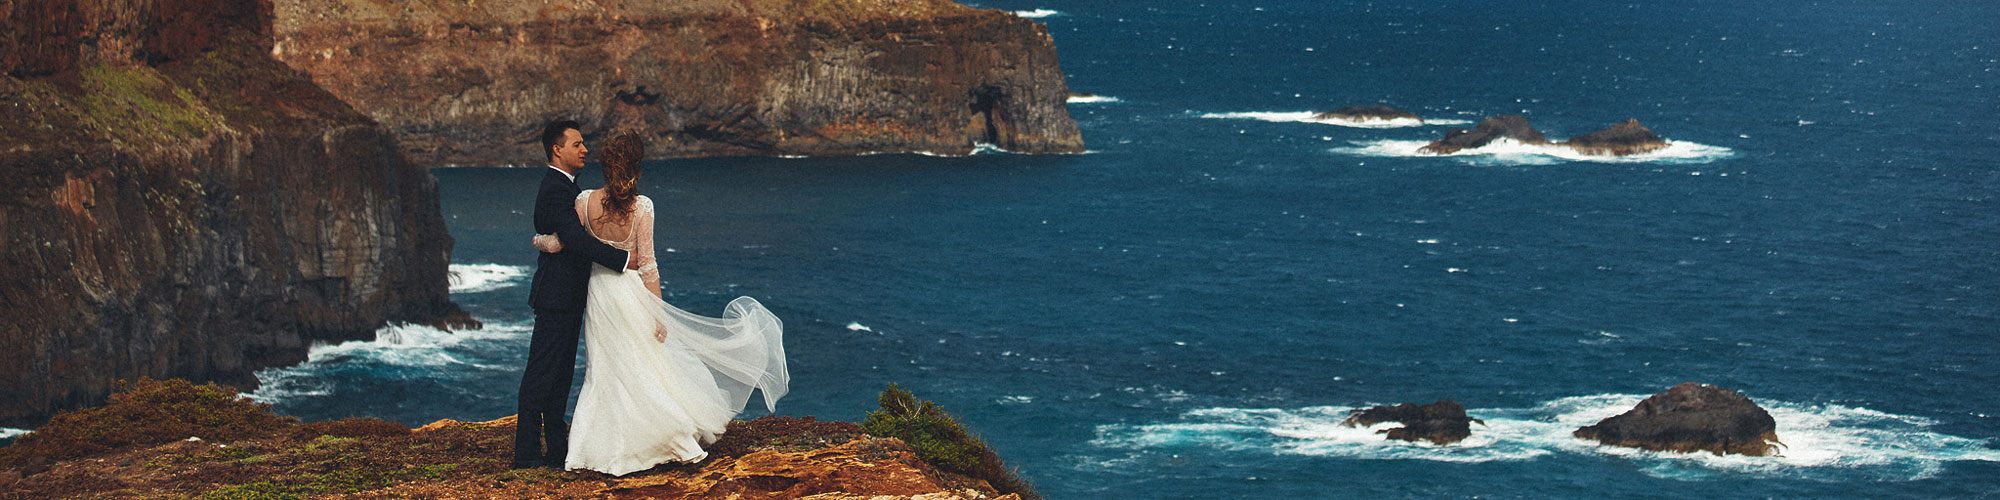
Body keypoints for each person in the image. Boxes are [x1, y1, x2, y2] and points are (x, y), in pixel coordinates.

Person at [533, 132, 788, 475]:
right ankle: (668, 437)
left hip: (599, 295)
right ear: (635, 168)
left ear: (607, 168)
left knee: (605, 369)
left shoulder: (584, 201)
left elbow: (567, 243)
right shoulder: (643, 207)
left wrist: (539, 240)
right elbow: (649, 265)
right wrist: (659, 312)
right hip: (631, 293)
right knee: (640, 363)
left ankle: (591, 449)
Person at [516, 120, 639, 469]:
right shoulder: (556, 188)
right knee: (541, 376)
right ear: (558, 149)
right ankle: (525, 455)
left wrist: (552, 239)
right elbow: (576, 238)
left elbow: (563, 235)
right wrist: (625, 259)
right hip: (555, 297)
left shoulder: (568, 187)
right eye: (578, 144)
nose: (585, 149)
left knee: (559, 378)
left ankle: (556, 450)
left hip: (567, 297)